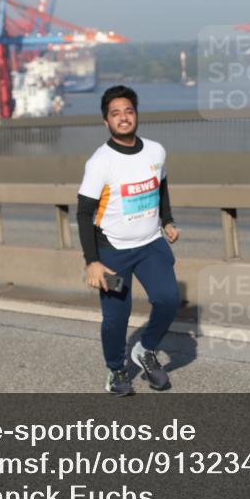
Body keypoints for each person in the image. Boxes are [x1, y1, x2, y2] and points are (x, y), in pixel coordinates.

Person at [77, 85, 181, 396]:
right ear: (106, 121)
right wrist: (92, 262)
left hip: (151, 245)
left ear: (136, 115)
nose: (123, 118)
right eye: (115, 113)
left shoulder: (156, 151)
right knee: (116, 319)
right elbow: (84, 213)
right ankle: (116, 370)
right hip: (112, 251)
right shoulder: (100, 162)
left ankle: (144, 350)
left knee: (168, 299)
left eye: (128, 111)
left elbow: (161, 186)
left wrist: (167, 220)